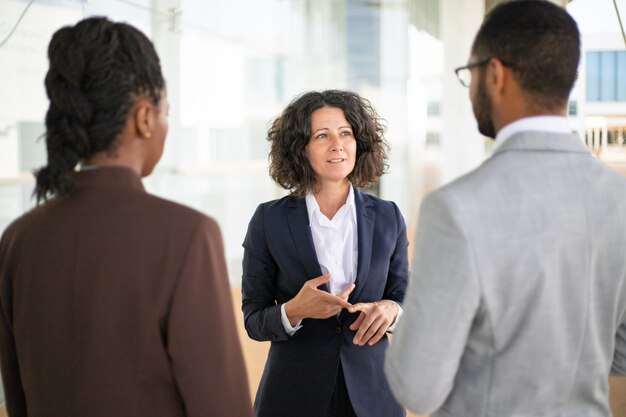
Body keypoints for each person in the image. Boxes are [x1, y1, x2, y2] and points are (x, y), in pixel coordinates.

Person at [0, 17, 253, 417]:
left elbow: (17, 399)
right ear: (145, 118)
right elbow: (223, 406)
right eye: (166, 110)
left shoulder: (18, 238)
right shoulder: (188, 235)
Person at [384, 1, 626, 416]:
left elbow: (417, 386)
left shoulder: (455, 210)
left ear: (495, 75)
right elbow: (620, 356)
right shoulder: (618, 198)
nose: (470, 87)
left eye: (470, 74)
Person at [242, 90, 409, 417]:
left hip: (374, 395)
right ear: (300, 148)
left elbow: (404, 295)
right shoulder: (269, 220)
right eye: (322, 135)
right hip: (293, 395)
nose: (338, 144)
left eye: (345, 133)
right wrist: (293, 311)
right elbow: (253, 319)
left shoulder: (388, 216)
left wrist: (392, 310)